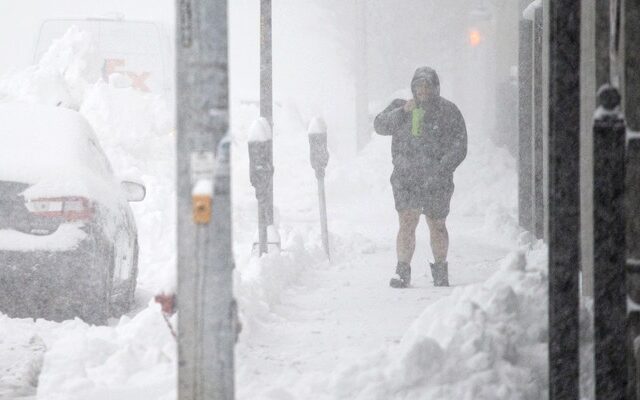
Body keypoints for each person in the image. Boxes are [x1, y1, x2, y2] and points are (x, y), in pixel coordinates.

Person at [374, 66, 467, 288]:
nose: (422, 90)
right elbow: (379, 125)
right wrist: (403, 112)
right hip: (406, 178)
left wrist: (443, 167)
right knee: (407, 223)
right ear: (413, 87)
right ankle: (402, 271)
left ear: (435, 88)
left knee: (437, 224)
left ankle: (441, 270)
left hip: (437, 180)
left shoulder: (448, 111)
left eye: (427, 85)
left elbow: (460, 144)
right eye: (418, 85)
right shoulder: (401, 107)